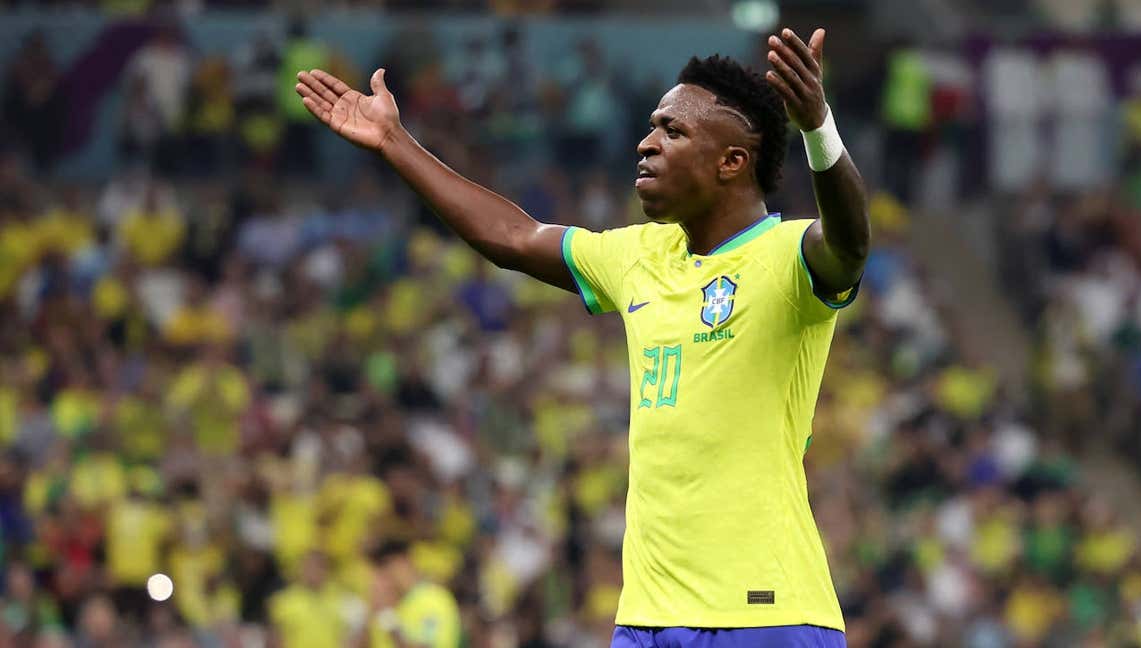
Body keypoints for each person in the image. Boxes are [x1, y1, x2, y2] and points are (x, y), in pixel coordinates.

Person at [296, 25, 869, 648]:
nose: (646, 145)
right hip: (647, 615)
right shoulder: (639, 256)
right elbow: (513, 238)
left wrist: (818, 128)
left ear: (732, 161)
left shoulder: (790, 257)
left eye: (673, 132)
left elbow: (849, 240)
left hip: (767, 613)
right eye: (652, 126)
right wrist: (393, 142)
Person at [357, 539, 461, 648]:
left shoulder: (433, 599)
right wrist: (368, 615)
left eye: (386, 564)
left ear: (405, 561)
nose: (383, 574)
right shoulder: (385, 606)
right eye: (377, 568)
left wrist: (389, 622)